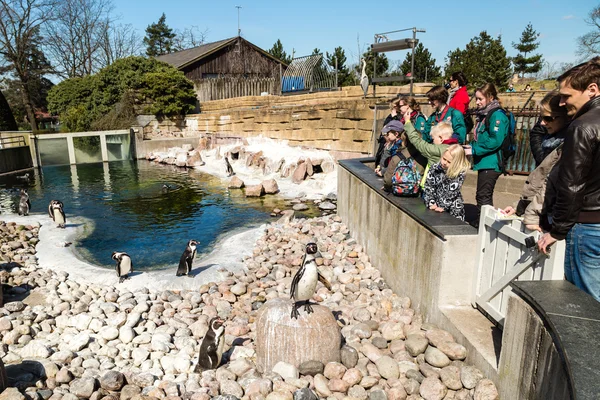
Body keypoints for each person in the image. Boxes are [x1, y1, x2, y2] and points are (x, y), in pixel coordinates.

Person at [537, 57, 600, 301]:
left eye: (567, 96)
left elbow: (572, 184)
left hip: (588, 224)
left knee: (586, 301)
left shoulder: (582, 126)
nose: (561, 103)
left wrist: (557, 230)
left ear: (592, 89)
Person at [502, 91, 570, 231]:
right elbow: (538, 183)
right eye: (541, 118)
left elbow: (549, 185)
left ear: (564, 117)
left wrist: (532, 215)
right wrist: (519, 206)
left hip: (548, 217)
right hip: (538, 212)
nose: (543, 123)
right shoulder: (549, 143)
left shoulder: (565, 146)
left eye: (548, 118)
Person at [464, 83, 509, 226]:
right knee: (482, 194)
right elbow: (483, 138)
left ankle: (484, 225)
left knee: (484, 195)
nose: (477, 102)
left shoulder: (497, 115)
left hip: (491, 162)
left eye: (480, 99)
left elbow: (495, 140)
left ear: (490, 97)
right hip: (484, 161)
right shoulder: (485, 114)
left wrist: (475, 150)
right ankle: (481, 222)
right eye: (476, 99)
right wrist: (471, 146)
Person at [423, 144, 471, 221]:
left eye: (449, 162)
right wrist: (430, 201)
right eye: (444, 159)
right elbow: (429, 186)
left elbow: (452, 192)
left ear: (456, 163)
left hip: (453, 209)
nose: (445, 163)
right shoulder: (434, 168)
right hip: (435, 203)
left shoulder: (459, 173)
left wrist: (442, 206)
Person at [376, 98, 401, 167]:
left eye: (394, 107)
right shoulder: (390, 116)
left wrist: (394, 117)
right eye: (392, 107)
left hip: (392, 143)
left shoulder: (398, 117)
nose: (393, 109)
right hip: (385, 142)